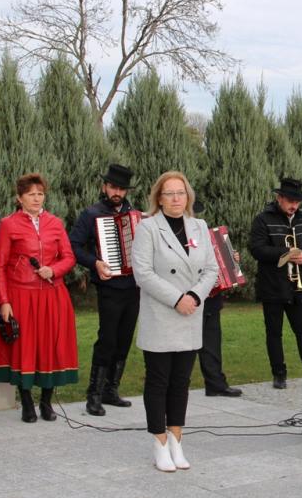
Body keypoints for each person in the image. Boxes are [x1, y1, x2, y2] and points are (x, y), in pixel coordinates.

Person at [131, 171, 218, 472]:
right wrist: (176, 298)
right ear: (159, 198)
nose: (176, 198)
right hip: (161, 313)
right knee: (159, 381)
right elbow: (142, 273)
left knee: (181, 382)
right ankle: (159, 443)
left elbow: (211, 269)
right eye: (169, 193)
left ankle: (176, 440)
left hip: (190, 313)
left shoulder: (200, 226)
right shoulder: (148, 228)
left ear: (188, 196)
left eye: (181, 192)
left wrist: (193, 296)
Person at [0, 173, 78, 423]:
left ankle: (46, 402)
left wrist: (54, 270)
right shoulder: (9, 224)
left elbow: (68, 257)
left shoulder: (55, 223)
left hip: (52, 295)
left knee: (50, 346)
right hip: (20, 294)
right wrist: (3, 301)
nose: (36, 198)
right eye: (31, 194)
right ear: (19, 198)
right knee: (24, 347)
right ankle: (26, 401)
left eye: (40, 194)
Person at [69, 164, 140, 416]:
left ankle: (111, 390)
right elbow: (74, 246)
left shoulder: (136, 214)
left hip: (134, 286)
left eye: (121, 189)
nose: (117, 192)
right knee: (107, 339)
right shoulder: (92, 214)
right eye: (113, 187)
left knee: (124, 339)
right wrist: (95, 262)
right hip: (109, 285)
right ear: (104, 187)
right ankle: (94, 395)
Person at [249, 177, 302, 389]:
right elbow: (257, 249)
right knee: (274, 332)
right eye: (290, 200)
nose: (294, 205)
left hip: (299, 287)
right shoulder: (263, 220)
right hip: (272, 285)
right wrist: (287, 253)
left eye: (297, 202)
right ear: (279, 198)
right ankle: (279, 374)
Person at [192, 199, 242, 398]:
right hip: (186, 297)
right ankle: (175, 388)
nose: (193, 217)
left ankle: (215, 384)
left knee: (211, 342)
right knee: (183, 348)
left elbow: (222, 265)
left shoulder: (206, 233)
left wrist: (232, 259)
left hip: (211, 297)